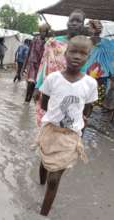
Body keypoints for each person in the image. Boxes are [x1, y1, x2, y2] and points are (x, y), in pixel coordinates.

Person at [37, 35, 98, 216]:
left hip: (70, 135)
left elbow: (87, 110)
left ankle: (41, 215)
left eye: (83, 53)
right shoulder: (53, 78)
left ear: (88, 57)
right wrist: (55, 117)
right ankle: (40, 182)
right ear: (65, 53)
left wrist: (79, 128)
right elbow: (45, 104)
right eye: (73, 51)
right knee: (45, 160)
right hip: (50, 130)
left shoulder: (90, 83)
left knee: (54, 178)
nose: (77, 56)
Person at [34, 9, 87, 127]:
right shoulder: (54, 43)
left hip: (71, 91)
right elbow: (44, 65)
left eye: (78, 21)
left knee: (66, 125)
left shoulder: (84, 46)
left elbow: (84, 70)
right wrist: (37, 86)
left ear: (82, 25)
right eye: (72, 20)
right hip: (50, 89)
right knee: (45, 121)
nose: (74, 23)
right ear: (67, 23)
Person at [84, 20, 114, 107]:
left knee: (88, 100)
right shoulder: (106, 42)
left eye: (89, 27)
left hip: (93, 73)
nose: (88, 30)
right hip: (100, 74)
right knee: (92, 100)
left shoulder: (91, 41)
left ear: (94, 29)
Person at [22, 24, 51, 102]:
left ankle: (29, 104)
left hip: (40, 67)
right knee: (30, 84)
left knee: (36, 87)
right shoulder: (34, 40)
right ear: (40, 31)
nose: (43, 33)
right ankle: (26, 103)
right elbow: (28, 54)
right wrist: (23, 68)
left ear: (48, 33)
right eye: (42, 31)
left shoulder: (48, 43)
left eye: (45, 32)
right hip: (32, 65)